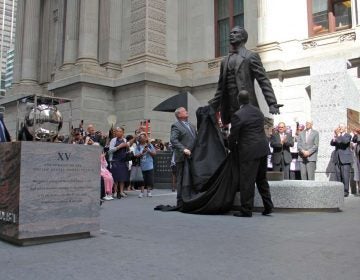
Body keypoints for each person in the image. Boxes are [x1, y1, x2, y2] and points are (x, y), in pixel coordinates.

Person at [209, 26, 281, 125]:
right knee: (234, 136)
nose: (231, 35)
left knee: (249, 137)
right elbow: (220, 89)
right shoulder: (224, 61)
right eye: (230, 33)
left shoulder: (250, 56)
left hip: (246, 105)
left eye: (235, 33)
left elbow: (263, 80)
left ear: (243, 37)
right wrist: (212, 106)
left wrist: (272, 103)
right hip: (230, 108)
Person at [228, 90, 274, 217]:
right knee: (262, 179)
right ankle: (268, 206)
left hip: (249, 151)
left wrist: (231, 148)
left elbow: (233, 136)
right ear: (248, 99)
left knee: (247, 181)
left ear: (238, 100)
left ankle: (246, 209)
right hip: (263, 149)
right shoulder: (258, 112)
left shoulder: (238, 115)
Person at [170, 107, 197, 207]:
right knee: (181, 179)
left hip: (193, 157)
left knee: (192, 178)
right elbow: (173, 140)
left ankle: (190, 198)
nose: (187, 112)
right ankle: (180, 201)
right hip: (182, 157)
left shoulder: (191, 125)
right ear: (179, 115)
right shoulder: (175, 125)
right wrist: (183, 149)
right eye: (184, 111)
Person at [108, 127, 132, 198]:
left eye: (120, 131)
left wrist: (127, 148)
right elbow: (110, 151)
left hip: (123, 160)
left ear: (123, 132)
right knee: (116, 177)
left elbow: (127, 150)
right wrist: (119, 146)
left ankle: (121, 191)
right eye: (117, 131)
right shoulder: (113, 140)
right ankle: (115, 191)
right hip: (115, 160)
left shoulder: (125, 140)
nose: (118, 132)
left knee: (122, 177)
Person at [331, 124, 353, 197]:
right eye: (339, 127)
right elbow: (332, 143)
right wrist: (334, 136)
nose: (340, 128)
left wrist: (338, 135)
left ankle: (345, 191)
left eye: (341, 127)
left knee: (345, 176)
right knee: (338, 176)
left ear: (345, 128)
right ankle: (339, 191)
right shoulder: (337, 136)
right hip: (337, 159)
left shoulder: (348, 135)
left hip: (345, 159)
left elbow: (344, 142)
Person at [134, 132, 156, 198]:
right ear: (139, 139)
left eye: (144, 137)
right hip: (141, 165)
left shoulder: (149, 145)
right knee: (142, 180)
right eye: (141, 138)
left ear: (146, 138)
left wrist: (148, 151)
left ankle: (149, 192)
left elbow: (154, 153)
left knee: (149, 179)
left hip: (149, 165)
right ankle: (142, 192)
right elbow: (136, 155)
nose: (142, 139)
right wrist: (142, 152)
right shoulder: (138, 146)